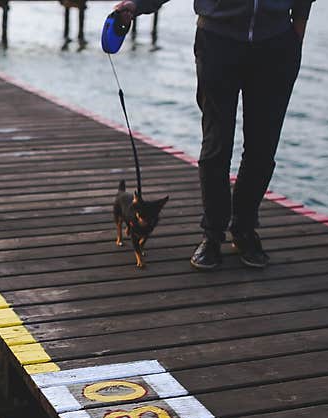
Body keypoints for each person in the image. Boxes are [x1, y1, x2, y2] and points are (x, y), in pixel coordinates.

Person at [113, 0, 314, 270]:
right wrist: (137, 5)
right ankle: (212, 235)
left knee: (262, 148)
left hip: (275, 46)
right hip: (218, 41)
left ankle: (244, 230)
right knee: (216, 145)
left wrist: (295, 40)